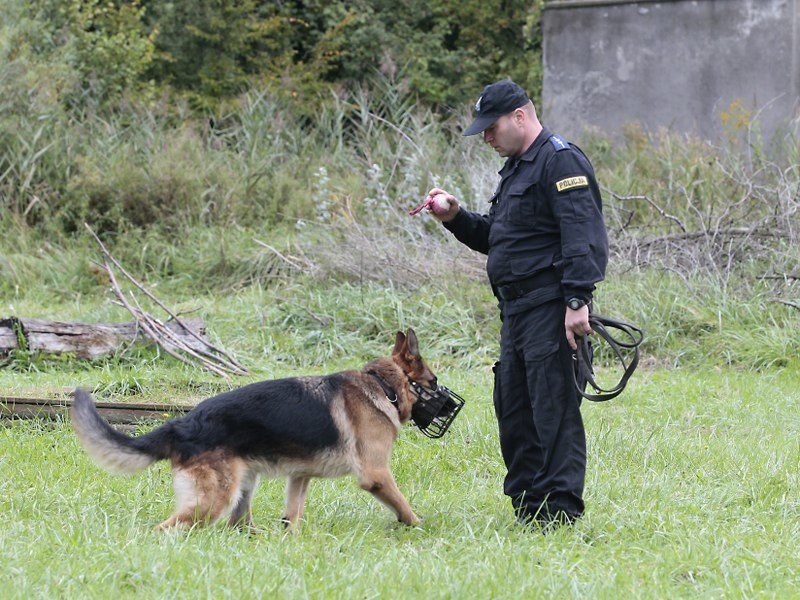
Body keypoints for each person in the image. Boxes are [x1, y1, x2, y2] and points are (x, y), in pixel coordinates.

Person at [421, 79, 608, 527]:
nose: (486, 136)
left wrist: (578, 300)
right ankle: (529, 508)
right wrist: (455, 217)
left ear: (520, 117)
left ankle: (560, 514)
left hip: (551, 309)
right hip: (517, 314)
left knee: (553, 412)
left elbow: (583, 235)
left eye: (492, 127)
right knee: (514, 411)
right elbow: (500, 240)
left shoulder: (559, 160)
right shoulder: (518, 168)